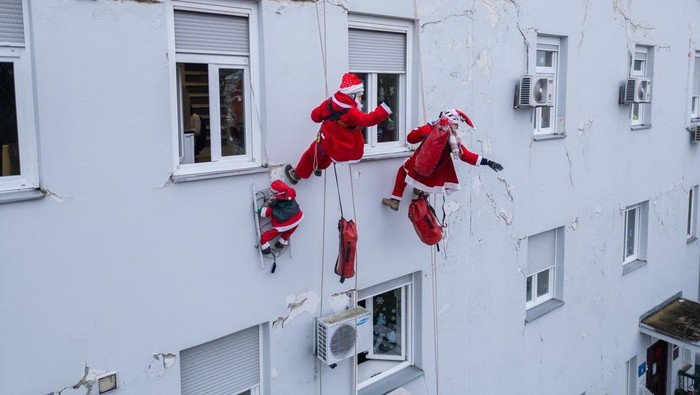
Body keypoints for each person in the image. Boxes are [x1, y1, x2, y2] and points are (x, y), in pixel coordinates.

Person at [382, 109, 504, 211]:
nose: (456, 128)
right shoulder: (454, 141)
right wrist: (488, 162)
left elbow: (410, 138)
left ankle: (395, 200)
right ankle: (419, 192)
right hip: (434, 176)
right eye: (456, 125)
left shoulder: (430, 129)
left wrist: (424, 127)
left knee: (403, 170)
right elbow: (465, 155)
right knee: (426, 187)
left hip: (418, 167)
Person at [285, 73, 392, 184]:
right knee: (329, 154)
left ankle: (297, 175)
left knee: (313, 154)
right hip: (341, 147)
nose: (361, 99)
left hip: (326, 140)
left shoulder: (329, 103)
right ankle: (319, 168)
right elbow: (369, 120)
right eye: (359, 96)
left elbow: (315, 116)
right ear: (352, 95)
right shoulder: (352, 113)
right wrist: (384, 108)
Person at [258, 180, 304, 255]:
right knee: (289, 231)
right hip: (297, 217)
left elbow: (272, 211)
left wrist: (261, 211)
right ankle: (282, 241)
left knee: (274, 233)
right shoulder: (290, 196)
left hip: (287, 222)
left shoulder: (279, 201)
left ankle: (264, 243)